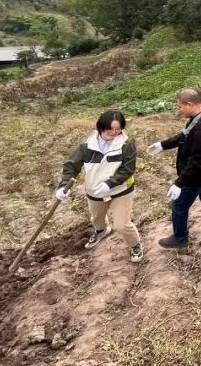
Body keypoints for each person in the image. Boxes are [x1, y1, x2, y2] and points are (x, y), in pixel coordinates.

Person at [56, 110, 143, 263]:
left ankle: (135, 245)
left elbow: (128, 169)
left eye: (118, 129)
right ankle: (102, 231)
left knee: (122, 225)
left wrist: (109, 183)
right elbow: (71, 165)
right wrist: (64, 186)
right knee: (97, 218)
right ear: (101, 127)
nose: (114, 132)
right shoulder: (87, 146)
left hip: (120, 190)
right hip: (95, 191)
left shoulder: (126, 144)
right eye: (111, 129)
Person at [147, 88, 201, 249]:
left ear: (189, 104)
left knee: (179, 205)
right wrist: (163, 145)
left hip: (197, 176)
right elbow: (184, 134)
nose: (179, 110)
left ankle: (180, 238)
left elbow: (195, 161)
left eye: (180, 106)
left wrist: (179, 183)